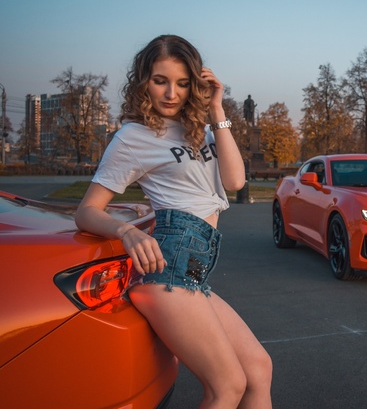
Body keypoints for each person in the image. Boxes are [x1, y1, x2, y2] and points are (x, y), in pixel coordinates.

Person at [75, 35, 272, 409]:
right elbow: (86, 211)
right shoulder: (133, 137)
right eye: (160, 80)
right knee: (227, 385)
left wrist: (217, 109)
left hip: (196, 269)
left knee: (259, 370)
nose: (171, 93)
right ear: (143, 82)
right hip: (167, 267)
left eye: (183, 83)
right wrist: (127, 231)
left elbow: (235, 182)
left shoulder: (202, 129)